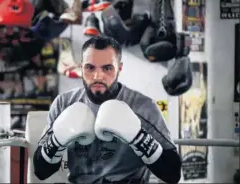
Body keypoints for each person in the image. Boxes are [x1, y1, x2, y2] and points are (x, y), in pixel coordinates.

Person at [33, 36, 182, 184]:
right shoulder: (64, 103)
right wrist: (56, 141)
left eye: (107, 68)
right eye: (90, 68)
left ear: (119, 68)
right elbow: (41, 171)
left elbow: (173, 174)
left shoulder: (142, 106)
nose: (98, 76)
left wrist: (139, 139)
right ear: (81, 67)